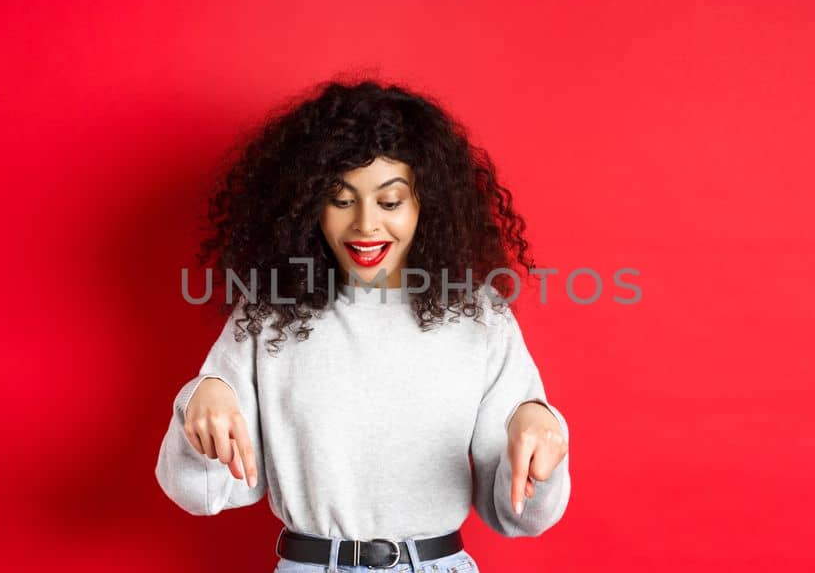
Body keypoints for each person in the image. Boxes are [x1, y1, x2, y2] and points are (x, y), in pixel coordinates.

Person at [156, 78, 571, 573]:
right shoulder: (271, 315)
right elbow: (202, 493)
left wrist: (542, 436)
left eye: (390, 202)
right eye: (341, 199)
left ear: (426, 204)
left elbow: (518, 517)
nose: (366, 225)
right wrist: (201, 399)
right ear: (310, 205)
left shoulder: (477, 316)